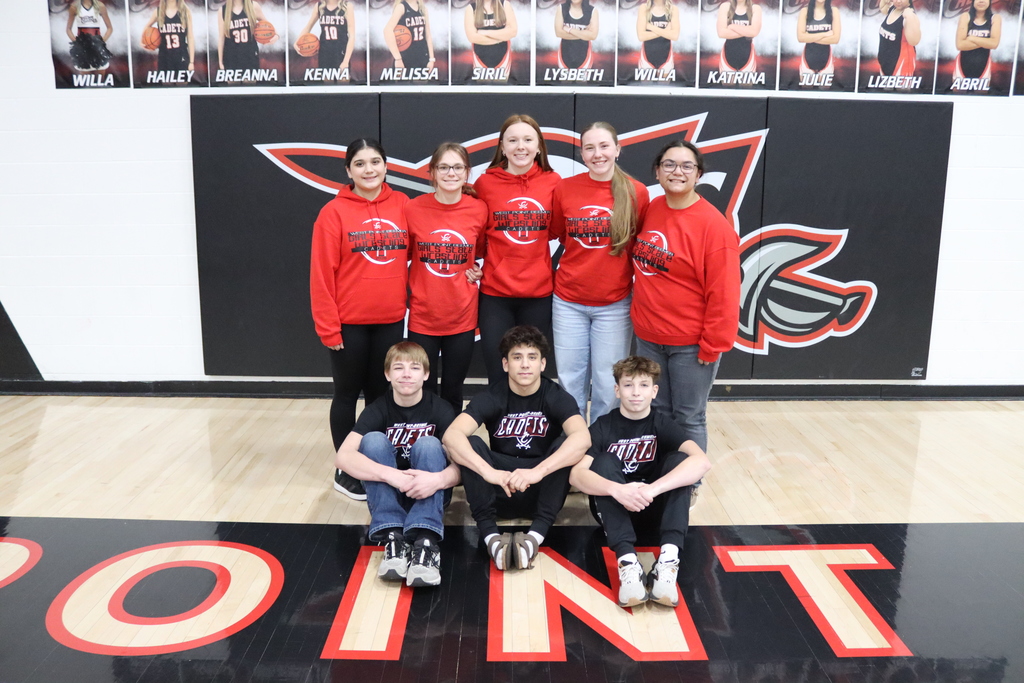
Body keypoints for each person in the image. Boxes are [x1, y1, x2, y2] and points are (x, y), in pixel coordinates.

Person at [310, 138, 409, 500]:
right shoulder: (333, 213)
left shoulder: (401, 204)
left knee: (380, 395)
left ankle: (375, 461)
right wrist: (328, 325)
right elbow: (321, 275)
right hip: (348, 322)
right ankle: (345, 468)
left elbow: (424, 250)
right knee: (347, 394)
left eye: (376, 162)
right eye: (361, 164)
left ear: (386, 165)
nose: (370, 170)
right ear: (348, 171)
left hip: (390, 319)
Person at [443, 326, 590, 570]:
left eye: (532, 358)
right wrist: (489, 472)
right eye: (517, 357)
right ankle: (491, 538)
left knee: (566, 444)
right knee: (470, 444)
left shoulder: (556, 395)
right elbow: (451, 435)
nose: (524, 365)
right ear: (505, 364)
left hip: (541, 488)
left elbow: (583, 438)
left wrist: (538, 472)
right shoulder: (491, 395)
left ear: (542, 365)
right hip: (499, 486)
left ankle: (534, 538)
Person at [569, 356, 710, 607]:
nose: (636, 393)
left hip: (652, 507)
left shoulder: (662, 423)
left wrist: (652, 490)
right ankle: (628, 564)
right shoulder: (603, 426)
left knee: (680, 461)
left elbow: (702, 462)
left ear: (654, 391)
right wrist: (618, 490)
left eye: (644, 385)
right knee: (603, 462)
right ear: (617, 389)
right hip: (614, 509)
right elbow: (576, 475)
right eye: (628, 385)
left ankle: (667, 562)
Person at [631, 140, 740, 454]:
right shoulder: (652, 209)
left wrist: (713, 343)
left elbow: (725, 292)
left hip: (691, 344)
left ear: (698, 174)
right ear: (657, 171)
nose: (677, 172)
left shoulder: (714, 226)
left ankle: (689, 483)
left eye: (686, 166)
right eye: (669, 164)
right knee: (659, 412)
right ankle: (665, 475)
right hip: (650, 338)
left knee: (689, 416)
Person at [334, 342, 459, 587]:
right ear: (387, 374)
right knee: (372, 441)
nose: (406, 374)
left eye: (414, 368)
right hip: (390, 493)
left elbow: (463, 465)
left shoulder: (442, 410)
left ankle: (425, 542)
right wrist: (391, 475)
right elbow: (343, 456)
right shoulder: (376, 410)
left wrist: (437, 480)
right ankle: (394, 538)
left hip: (430, 493)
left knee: (429, 445)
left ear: (426, 374)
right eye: (398, 368)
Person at [550, 122, 650, 424]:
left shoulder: (636, 192)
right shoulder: (565, 188)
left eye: (604, 146)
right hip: (568, 301)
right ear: (582, 154)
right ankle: (574, 445)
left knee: (608, 384)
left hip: (614, 304)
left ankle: (600, 446)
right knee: (570, 381)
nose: (598, 154)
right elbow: (560, 234)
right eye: (590, 148)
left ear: (618, 150)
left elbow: (640, 245)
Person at [474, 115, 561, 384]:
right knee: (497, 370)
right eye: (512, 140)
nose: (520, 146)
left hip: (538, 294)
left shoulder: (554, 182)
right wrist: (470, 265)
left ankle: (528, 426)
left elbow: (557, 230)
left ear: (539, 147)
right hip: (495, 294)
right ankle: (497, 426)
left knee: (530, 374)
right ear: (502, 147)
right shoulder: (485, 183)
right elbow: (472, 233)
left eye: (527, 139)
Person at [405, 143, 488, 412]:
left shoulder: (479, 209)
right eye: (443, 167)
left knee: (453, 388)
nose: (450, 173)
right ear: (432, 172)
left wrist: (479, 269)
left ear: (467, 173)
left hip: (461, 315)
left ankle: (452, 448)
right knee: (422, 388)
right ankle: (423, 446)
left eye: (457, 167)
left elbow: (485, 250)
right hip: (423, 314)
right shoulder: (413, 209)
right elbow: (401, 255)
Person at [294, 0, 356, 77]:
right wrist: (296, 42)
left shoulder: (347, 6)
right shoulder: (319, 6)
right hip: (325, 52)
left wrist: (346, 61)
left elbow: (352, 36)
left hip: (341, 52)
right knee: (327, 86)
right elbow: (308, 27)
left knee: (343, 83)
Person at [218, 0, 276, 73]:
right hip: (231, 56)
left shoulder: (253, 6)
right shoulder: (223, 10)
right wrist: (220, 61)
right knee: (233, 83)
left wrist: (275, 37)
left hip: (250, 55)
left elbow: (270, 28)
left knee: (250, 83)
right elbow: (221, 38)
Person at [464, 0, 518, 78]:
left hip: (503, 60)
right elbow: (472, 37)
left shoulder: (505, 4)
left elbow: (513, 31)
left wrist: (486, 32)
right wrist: (500, 38)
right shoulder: (471, 8)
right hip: (480, 60)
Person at [953, 0, 1001, 83]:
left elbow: (994, 44)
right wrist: (986, 42)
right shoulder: (965, 16)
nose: (981, 1)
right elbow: (960, 45)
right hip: (962, 64)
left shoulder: (995, 18)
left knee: (982, 93)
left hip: (984, 65)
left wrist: (971, 38)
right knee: (958, 92)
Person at [144, 0, 195, 73]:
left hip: (181, 56)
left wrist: (191, 62)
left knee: (182, 83)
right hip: (164, 56)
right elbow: (147, 27)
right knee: (167, 83)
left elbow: (190, 37)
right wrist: (145, 43)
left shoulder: (185, 11)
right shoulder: (158, 12)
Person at [384, 0, 435, 71]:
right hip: (405, 59)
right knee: (404, 82)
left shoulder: (423, 9)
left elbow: (428, 36)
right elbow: (387, 30)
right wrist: (398, 59)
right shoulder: (401, 7)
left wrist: (432, 59)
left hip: (423, 57)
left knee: (422, 82)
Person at [66, 0, 114, 72]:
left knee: (101, 75)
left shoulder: (100, 6)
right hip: (83, 48)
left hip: (97, 48)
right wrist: (77, 43)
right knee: (84, 76)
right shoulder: (74, 7)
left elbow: (109, 28)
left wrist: (101, 42)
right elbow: (68, 29)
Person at [797, 0, 840, 79]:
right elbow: (801, 38)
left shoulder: (834, 11)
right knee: (806, 89)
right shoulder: (804, 11)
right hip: (808, 58)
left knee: (825, 89)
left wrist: (809, 37)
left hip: (826, 58)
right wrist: (825, 34)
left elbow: (835, 39)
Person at [876, 0, 919, 78]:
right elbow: (882, 8)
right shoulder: (892, 8)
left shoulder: (909, 16)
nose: (898, 1)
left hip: (901, 67)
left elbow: (914, 41)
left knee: (900, 90)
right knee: (885, 90)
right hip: (885, 64)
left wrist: (910, 17)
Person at [716, 0, 761, 73]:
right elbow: (721, 33)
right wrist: (747, 31)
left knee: (747, 83)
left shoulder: (755, 8)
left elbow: (754, 32)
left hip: (747, 55)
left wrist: (732, 26)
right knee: (728, 83)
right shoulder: (725, 6)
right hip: (728, 54)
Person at [554, 0, 599, 70]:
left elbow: (593, 36)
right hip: (565, 53)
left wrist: (569, 30)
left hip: (584, 53)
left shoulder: (592, 11)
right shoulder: (561, 8)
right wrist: (584, 34)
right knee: (565, 80)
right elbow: (558, 33)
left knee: (582, 80)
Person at [636, 0, 679, 73]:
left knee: (664, 84)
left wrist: (651, 27)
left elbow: (675, 36)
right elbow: (641, 36)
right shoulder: (644, 8)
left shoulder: (673, 9)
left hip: (666, 57)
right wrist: (665, 31)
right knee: (645, 84)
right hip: (646, 56)